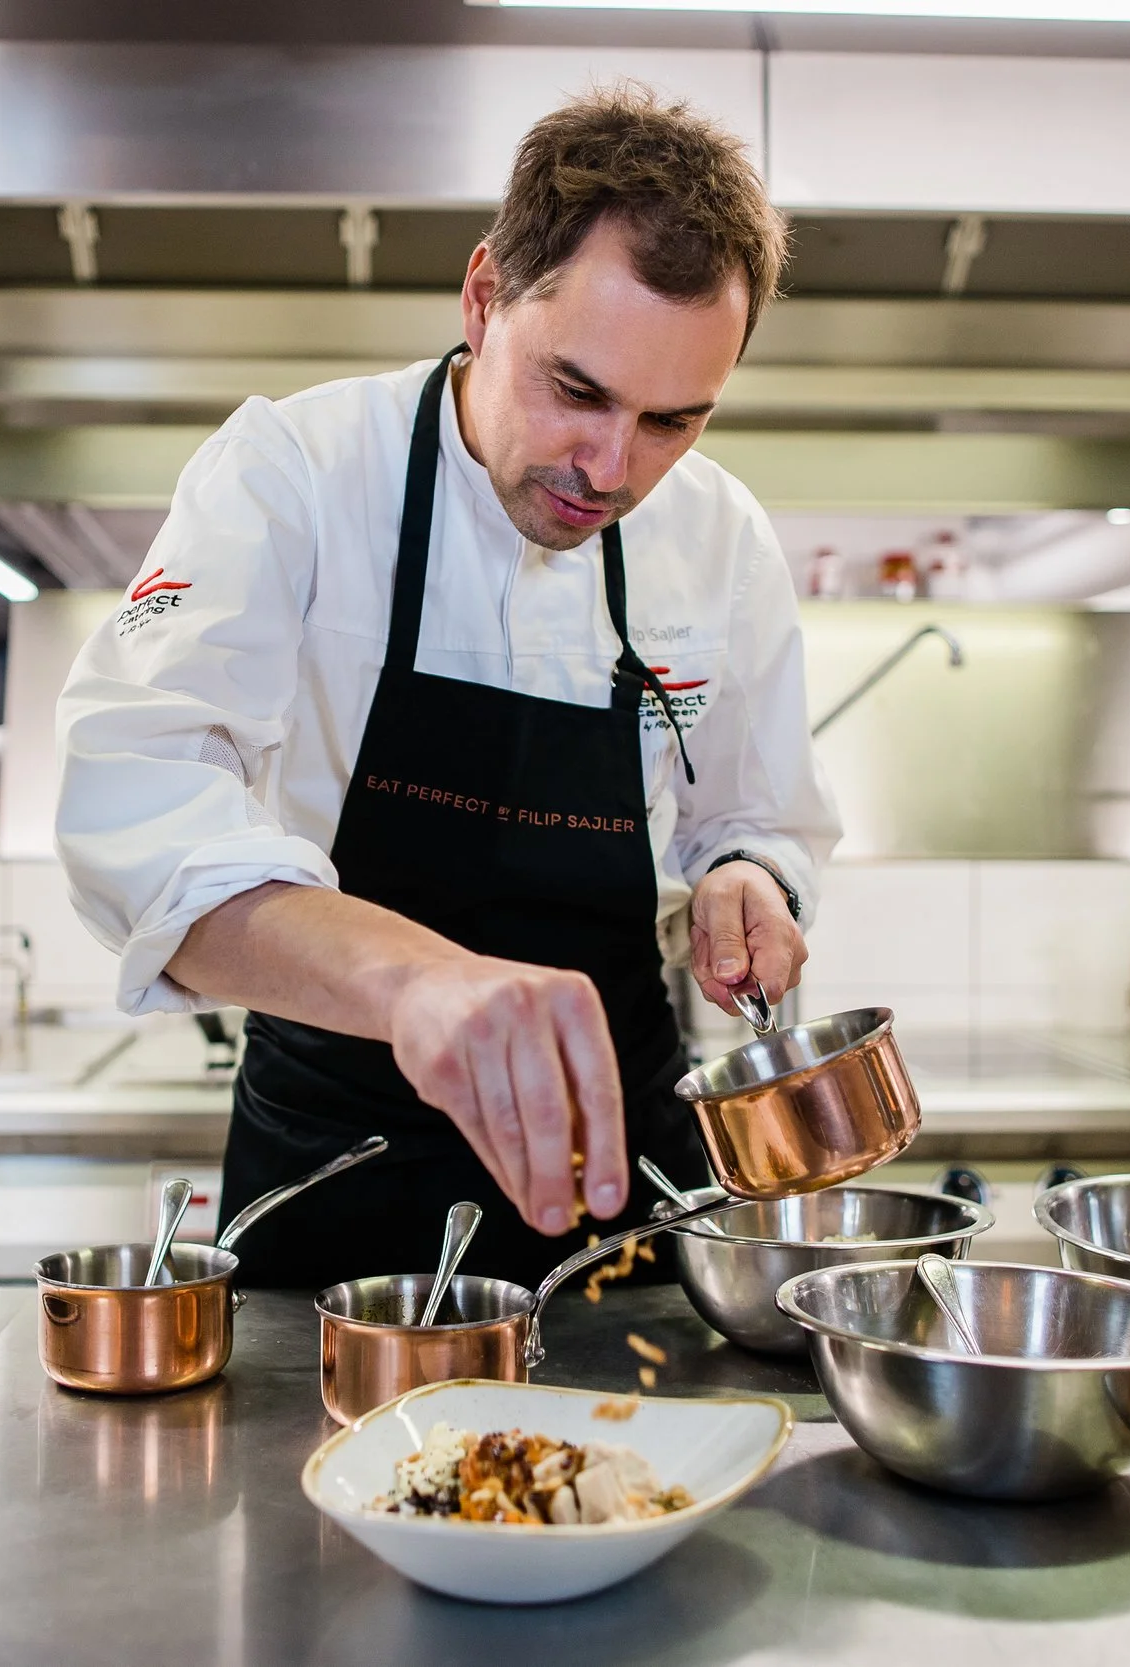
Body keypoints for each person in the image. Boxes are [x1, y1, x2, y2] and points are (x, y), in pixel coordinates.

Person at [56, 85, 841, 1289]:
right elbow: (137, 805)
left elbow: (753, 813)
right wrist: (419, 980)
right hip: (336, 1155)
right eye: (576, 391)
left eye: (672, 420)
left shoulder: (719, 533)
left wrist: (747, 878)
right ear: (482, 297)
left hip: (617, 1165)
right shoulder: (296, 473)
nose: (610, 466)